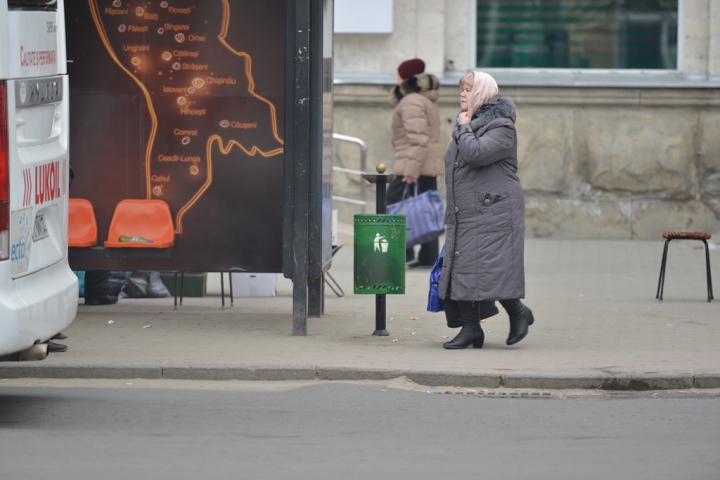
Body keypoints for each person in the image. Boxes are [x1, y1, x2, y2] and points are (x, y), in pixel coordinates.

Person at [438, 71, 535, 349]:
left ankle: (518, 313)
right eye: (462, 90)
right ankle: (472, 329)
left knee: (487, 268)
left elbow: (476, 154)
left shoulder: (502, 126)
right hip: (468, 210)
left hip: (495, 210)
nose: (463, 95)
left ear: (483, 93)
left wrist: (464, 127)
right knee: (464, 267)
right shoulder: (471, 123)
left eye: (469, 90)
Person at [386, 58, 444, 267]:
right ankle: (428, 257)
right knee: (425, 209)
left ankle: (404, 252)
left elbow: (417, 138)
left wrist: (411, 171)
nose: (396, 78)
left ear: (406, 78)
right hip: (425, 164)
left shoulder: (411, 101)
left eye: (398, 74)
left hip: (413, 164)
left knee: (392, 204)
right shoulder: (424, 99)